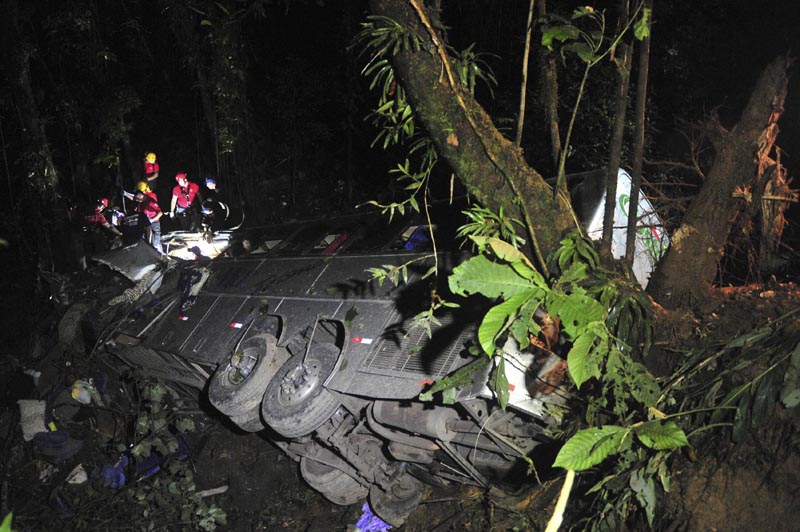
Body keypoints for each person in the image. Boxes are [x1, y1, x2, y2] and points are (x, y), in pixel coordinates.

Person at [124, 181, 164, 253]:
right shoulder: (141, 202)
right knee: (146, 240)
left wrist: (152, 219)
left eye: (138, 198)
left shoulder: (150, 201)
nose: (138, 200)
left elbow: (160, 212)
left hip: (154, 222)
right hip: (145, 223)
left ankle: (160, 254)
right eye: (137, 199)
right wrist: (125, 194)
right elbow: (134, 198)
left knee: (156, 242)